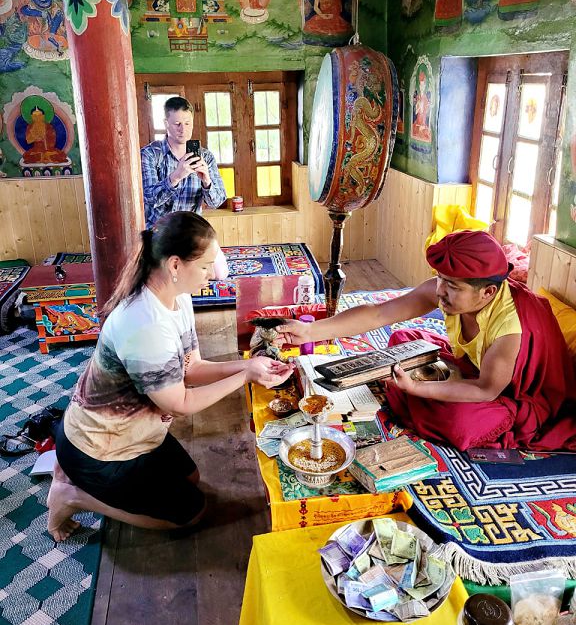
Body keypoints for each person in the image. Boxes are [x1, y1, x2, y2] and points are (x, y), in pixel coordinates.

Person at [47, 212, 293, 542]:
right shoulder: (145, 324)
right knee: (191, 513)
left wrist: (250, 364)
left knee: (191, 479)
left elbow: (192, 368)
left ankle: (82, 480)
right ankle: (72, 495)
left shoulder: (177, 297)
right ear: (175, 264)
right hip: (100, 450)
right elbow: (179, 403)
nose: (212, 275)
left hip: (136, 434)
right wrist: (246, 375)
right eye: (205, 266)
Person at [277, 230, 576, 452]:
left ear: (488, 293)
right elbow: (380, 313)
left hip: (510, 392)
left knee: (459, 423)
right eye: (440, 279)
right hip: (473, 367)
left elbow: (485, 390)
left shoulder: (510, 330)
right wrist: (311, 331)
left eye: (452, 286)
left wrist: (417, 387)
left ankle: (418, 395)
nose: (440, 290)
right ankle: (426, 392)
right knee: (403, 339)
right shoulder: (449, 290)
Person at [141, 95, 229, 277]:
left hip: (192, 231)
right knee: (168, 277)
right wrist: (176, 176)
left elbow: (217, 201)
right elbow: (149, 199)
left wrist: (206, 181)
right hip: (159, 232)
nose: (183, 129)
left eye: (188, 123)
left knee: (220, 274)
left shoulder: (205, 157)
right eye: (177, 124)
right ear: (166, 123)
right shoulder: (150, 154)